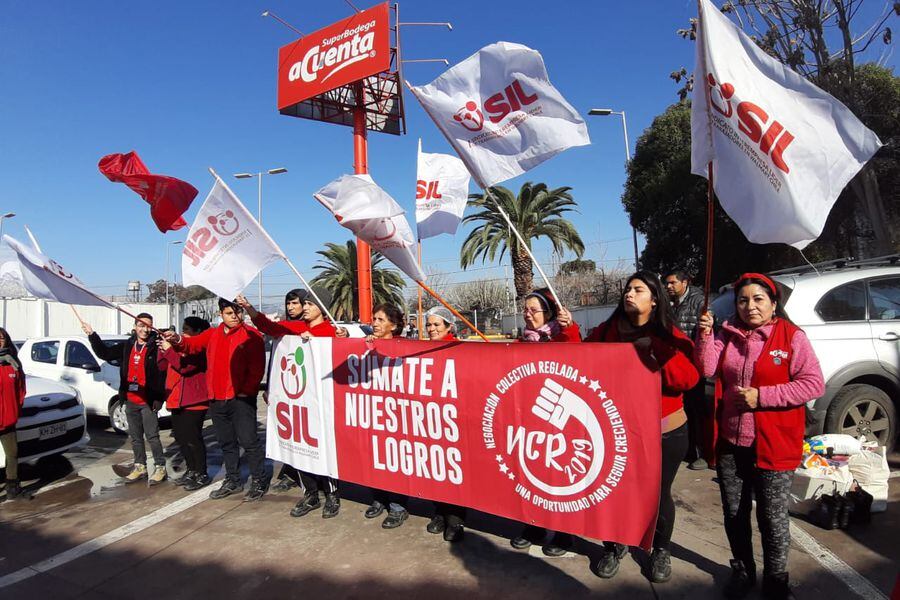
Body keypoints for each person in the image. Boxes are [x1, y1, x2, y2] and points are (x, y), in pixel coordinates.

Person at [696, 273, 824, 600]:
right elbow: (707, 368)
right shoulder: (729, 334)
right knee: (734, 513)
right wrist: (705, 336)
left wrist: (762, 396)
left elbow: (813, 384)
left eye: (757, 299)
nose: (750, 306)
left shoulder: (792, 337)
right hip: (731, 443)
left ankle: (776, 580)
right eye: (743, 300)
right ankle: (743, 570)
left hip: (773, 444)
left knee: (772, 518)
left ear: (773, 303)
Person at [583, 271, 699, 583]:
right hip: (617, 432)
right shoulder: (606, 331)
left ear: (655, 299)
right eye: (628, 289)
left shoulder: (670, 335)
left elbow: (688, 379)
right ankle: (615, 544)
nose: (629, 294)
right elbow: (577, 359)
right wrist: (568, 328)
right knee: (616, 492)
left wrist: (659, 351)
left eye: (638, 289)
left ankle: (660, 550)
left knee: (658, 494)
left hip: (666, 432)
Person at [236, 287, 344, 519]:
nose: (304, 309)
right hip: (298, 405)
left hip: (322, 404)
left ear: (322, 309)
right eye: (303, 304)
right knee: (300, 449)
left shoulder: (333, 332)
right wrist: (249, 309)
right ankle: (310, 495)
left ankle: (332, 496)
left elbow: (343, 355)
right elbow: (269, 327)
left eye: (310, 305)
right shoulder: (296, 328)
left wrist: (323, 340)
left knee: (323, 450)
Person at [162, 298, 268, 502]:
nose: (235, 317)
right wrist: (176, 339)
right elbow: (191, 345)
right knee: (226, 442)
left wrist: (247, 392)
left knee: (249, 441)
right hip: (217, 399)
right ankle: (233, 479)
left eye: (238, 312)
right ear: (221, 314)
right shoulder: (213, 334)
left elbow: (257, 368)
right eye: (230, 313)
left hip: (241, 399)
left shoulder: (251, 335)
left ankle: (258, 480)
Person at [510, 288, 581, 556]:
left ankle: (564, 533)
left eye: (533, 310)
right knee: (531, 476)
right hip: (530, 423)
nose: (527, 315)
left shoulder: (564, 337)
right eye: (525, 310)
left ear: (549, 313)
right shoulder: (521, 343)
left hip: (561, 424)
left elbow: (578, 357)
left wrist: (570, 328)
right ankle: (534, 525)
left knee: (560, 476)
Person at [85, 314, 168, 485]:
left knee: (152, 436)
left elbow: (163, 374)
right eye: (141, 325)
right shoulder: (127, 345)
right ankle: (140, 466)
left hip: (148, 400)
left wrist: (159, 398)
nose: (145, 329)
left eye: (148, 326)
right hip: (130, 399)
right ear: (135, 327)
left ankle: (160, 467)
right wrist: (92, 335)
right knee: (135, 437)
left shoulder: (157, 346)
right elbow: (105, 353)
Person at [364, 303, 412, 529]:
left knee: (394, 460)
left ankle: (397, 506)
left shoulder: (403, 348)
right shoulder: (365, 345)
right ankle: (379, 498)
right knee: (374, 458)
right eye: (374, 318)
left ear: (393, 326)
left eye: (381, 320)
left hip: (396, 416)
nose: (375, 323)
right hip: (373, 413)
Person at [421, 306, 466, 542]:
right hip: (431, 418)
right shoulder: (421, 349)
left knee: (453, 471)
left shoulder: (461, 349)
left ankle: (455, 519)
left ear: (449, 327)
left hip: (454, 421)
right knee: (434, 469)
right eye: (428, 325)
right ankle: (439, 512)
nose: (431, 329)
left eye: (437, 325)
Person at [157, 317, 212, 491]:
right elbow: (162, 365)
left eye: (187, 329)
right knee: (181, 438)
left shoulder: (199, 349)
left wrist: (170, 351)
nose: (183, 333)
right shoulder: (177, 347)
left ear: (197, 333)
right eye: (183, 328)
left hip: (194, 401)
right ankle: (192, 469)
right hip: (176, 398)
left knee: (193, 438)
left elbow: (184, 368)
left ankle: (202, 472)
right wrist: (164, 347)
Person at [665, 269, 710, 471]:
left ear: (685, 282)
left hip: (694, 366)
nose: (668, 286)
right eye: (667, 283)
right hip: (677, 365)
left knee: (697, 411)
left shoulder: (699, 302)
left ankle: (702, 453)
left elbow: (708, 328)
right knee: (684, 410)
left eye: (672, 283)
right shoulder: (671, 303)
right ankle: (689, 449)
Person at [0, 327, 27, 501]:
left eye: (1, 338)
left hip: (8, 419)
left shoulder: (13, 363)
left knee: (13, 453)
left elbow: (21, 389)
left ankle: (12, 487)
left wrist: (16, 408)